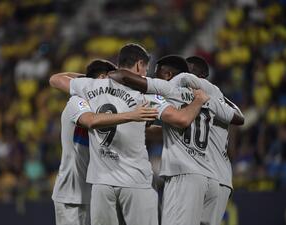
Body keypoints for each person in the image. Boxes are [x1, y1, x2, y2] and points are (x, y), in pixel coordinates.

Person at [49, 44, 210, 225]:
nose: (145, 74)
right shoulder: (144, 95)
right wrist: (198, 101)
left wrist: (93, 81)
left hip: (101, 184)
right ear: (139, 64)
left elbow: (55, 79)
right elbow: (181, 119)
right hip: (136, 181)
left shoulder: (88, 88)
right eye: (146, 69)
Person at [109, 54, 243, 225]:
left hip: (187, 172)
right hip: (216, 178)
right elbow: (239, 118)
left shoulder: (173, 87)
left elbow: (181, 120)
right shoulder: (212, 98)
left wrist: (99, 83)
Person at [52, 59, 159, 225]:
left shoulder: (108, 108)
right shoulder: (78, 101)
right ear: (102, 78)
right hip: (72, 193)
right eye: (112, 81)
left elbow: (125, 128)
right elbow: (91, 120)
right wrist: (87, 80)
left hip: (98, 187)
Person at [183, 56, 244, 225]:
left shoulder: (213, 98)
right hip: (200, 175)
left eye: (187, 72)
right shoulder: (188, 99)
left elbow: (239, 117)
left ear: (201, 77)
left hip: (218, 176)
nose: (183, 77)